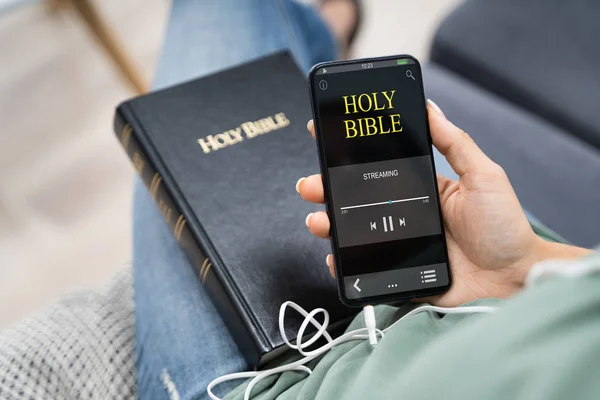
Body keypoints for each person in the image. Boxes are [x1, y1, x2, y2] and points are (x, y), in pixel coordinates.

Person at [0, 1, 597, 399]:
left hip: (282, 379)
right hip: (491, 283)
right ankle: (320, 28)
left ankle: (321, 25)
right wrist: (520, 265)